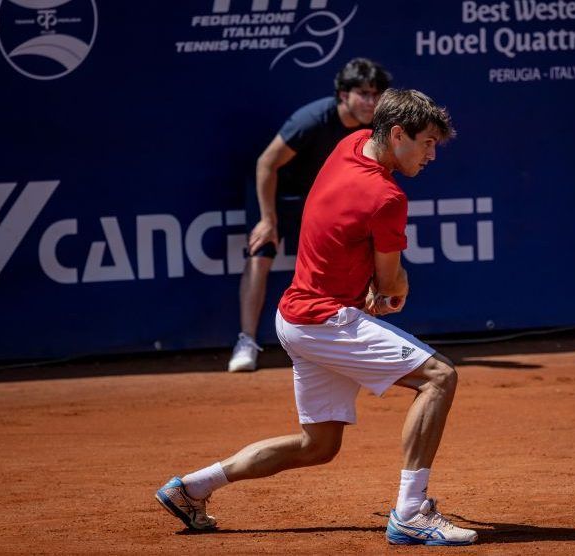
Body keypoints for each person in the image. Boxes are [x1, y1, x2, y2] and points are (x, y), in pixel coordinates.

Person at [156, 89, 477, 546]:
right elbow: (390, 284)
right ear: (397, 134)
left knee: (318, 446)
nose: (431, 155)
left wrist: (372, 287)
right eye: (426, 143)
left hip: (294, 318)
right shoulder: (388, 197)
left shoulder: (352, 143)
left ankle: (190, 488)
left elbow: (350, 241)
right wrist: (393, 290)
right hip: (325, 321)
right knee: (439, 377)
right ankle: (410, 513)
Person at [228, 57, 392, 372]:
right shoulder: (313, 120)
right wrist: (268, 219)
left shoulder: (374, 127)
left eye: (376, 94)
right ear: (343, 94)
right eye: (363, 93)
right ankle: (246, 341)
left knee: (354, 256)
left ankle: (346, 338)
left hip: (323, 200)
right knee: (260, 255)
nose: (371, 102)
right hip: (280, 193)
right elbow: (266, 163)